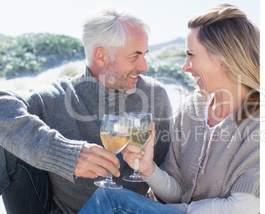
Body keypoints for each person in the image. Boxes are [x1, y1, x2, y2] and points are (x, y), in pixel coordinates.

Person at [79, 3, 260, 213]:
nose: (185, 66)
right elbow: (177, 192)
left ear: (223, 57)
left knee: (110, 200)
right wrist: (149, 170)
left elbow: (243, 207)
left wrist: (166, 209)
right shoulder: (191, 109)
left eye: (191, 55)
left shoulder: (261, 121)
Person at [0, 6, 172, 213]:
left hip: (122, 209)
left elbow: (165, 179)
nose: (144, 66)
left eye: (145, 54)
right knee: (6, 139)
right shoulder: (56, 96)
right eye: (135, 56)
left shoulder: (155, 96)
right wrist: (65, 155)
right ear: (101, 56)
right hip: (53, 208)